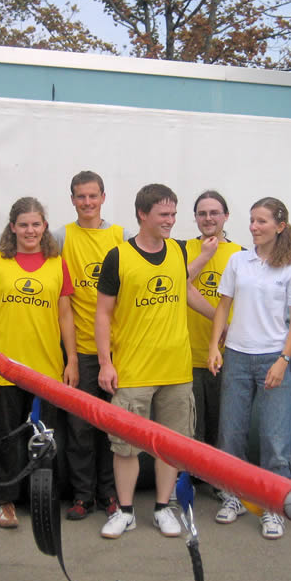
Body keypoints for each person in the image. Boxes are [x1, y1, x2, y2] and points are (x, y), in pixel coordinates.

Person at [95, 183, 215, 540]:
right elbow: (103, 314)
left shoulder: (178, 251)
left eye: (174, 214)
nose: (171, 220)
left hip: (176, 369)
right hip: (133, 371)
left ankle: (164, 508)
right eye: (164, 214)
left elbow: (185, 289)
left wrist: (219, 321)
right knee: (125, 447)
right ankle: (126, 512)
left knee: (171, 446)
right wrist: (105, 363)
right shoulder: (118, 257)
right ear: (142, 214)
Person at [0, 196, 78, 529]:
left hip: (45, 369)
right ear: (13, 227)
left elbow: (65, 315)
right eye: (23, 225)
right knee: (5, 436)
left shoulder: (57, 264)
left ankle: (40, 498)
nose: (30, 230)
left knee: (43, 439)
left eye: (36, 224)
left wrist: (72, 360)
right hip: (4, 369)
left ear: (44, 226)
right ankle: (4, 501)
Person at [207, 197, 291, 540]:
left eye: (261, 221)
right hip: (236, 356)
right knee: (230, 433)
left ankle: (273, 506)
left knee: (274, 438)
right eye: (251, 220)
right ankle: (232, 496)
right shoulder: (238, 260)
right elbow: (223, 306)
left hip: (273, 359)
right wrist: (214, 346)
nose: (254, 227)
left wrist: (283, 360)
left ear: (280, 226)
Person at [52, 171, 131, 521]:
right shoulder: (61, 237)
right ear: (72, 199)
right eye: (80, 196)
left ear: (103, 197)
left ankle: (109, 494)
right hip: (80, 349)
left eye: (93, 196)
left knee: (114, 427)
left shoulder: (121, 237)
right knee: (80, 428)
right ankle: (83, 496)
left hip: (117, 350)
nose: (87, 202)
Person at [185, 192, 243, 449]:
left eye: (214, 213)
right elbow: (179, 283)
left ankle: (224, 475)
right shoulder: (182, 249)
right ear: (195, 217)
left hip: (226, 356)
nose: (208, 218)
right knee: (191, 431)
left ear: (226, 216)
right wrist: (205, 256)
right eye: (202, 213)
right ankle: (189, 474)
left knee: (223, 429)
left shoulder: (240, 254)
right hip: (187, 356)